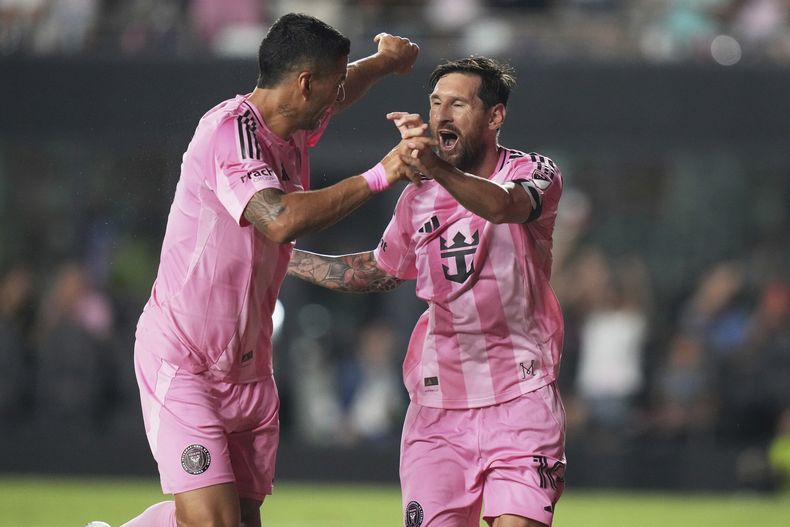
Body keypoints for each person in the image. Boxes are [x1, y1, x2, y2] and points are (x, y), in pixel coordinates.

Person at [86, 12, 423, 527]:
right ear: (305, 84)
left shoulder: (293, 123)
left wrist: (383, 63)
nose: (339, 95)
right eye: (331, 84)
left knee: (236, 521)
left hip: (248, 367)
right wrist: (385, 173)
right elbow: (280, 218)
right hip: (186, 358)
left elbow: (343, 85)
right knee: (214, 522)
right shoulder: (231, 132)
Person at [287, 56, 566, 527]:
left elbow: (504, 207)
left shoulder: (533, 171)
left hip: (521, 398)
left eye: (457, 103)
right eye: (436, 103)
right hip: (437, 411)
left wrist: (436, 167)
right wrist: (286, 259)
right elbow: (379, 271)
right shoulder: (416, 200)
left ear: (494, 116)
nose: (441, 115)